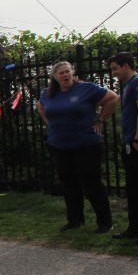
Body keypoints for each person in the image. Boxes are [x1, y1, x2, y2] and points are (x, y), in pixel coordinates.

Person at [36, 61, 118, 233]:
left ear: (72, 73)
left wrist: (100, 120)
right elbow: (41, 107)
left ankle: (105, 222)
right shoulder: (48, 93)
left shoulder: (86, 88)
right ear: (55, 77)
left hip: (86, 143)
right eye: (61, 73)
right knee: (69, 183)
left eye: (68, 72)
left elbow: (113, 98)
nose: (65, 75)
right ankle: (75, 221)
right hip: (59, 145)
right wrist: (51, 124)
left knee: (91, 182)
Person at [108, 52, 138, 244]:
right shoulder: (129, 85)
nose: (114, 73)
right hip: (130, 143)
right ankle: (135, 227)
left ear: (126, 65)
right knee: (133, 187)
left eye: (115, 69)